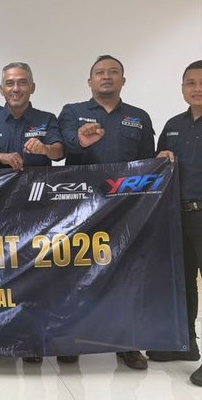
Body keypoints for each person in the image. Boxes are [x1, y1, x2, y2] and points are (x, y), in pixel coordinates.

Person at [57, 55, 154, 370]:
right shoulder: (72, 112)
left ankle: (126, 344)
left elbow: (149, 163)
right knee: (77, 274)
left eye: (113, 72)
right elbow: (65, 147)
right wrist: (81, 141)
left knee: (125, 276)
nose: (107, 77)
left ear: (123, 81)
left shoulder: (139, 117)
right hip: (81, 208)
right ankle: (71, 340)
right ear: (90, 81)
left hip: (126, 210)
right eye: (100, 72)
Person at [0, 63, 68, 364]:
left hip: (36, 212)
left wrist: (45, 150)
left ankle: (32, 339)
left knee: (37, 275)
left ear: (32, 87)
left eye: (22, 83)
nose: (16, 88)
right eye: (10, 83)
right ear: (1, 89)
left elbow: (60, 152)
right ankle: (0, 337)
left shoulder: (46, 119)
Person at [148, 60, 202, 388]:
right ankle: (185, 343)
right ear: (182, 88)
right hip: (178, 215)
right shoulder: (174, 125)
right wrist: (161, 159)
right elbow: (159, 163)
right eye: (190, 83)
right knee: (182, 283)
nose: (197, 88)